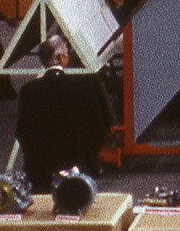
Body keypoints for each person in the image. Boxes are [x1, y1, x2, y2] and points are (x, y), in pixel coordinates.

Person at [15, 35, 111, 193]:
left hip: (40, 172)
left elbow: (23, 132)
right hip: (79, 168)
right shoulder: (83, 86)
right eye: (67, 53)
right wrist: (89, 159)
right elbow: (98, 126)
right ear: (60, 57)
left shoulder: (29, 90)